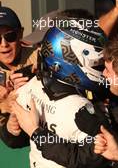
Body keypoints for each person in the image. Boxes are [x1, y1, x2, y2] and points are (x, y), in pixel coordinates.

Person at [2, 18, 110, 168]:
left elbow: (93, 156)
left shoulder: (32, 84)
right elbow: (92, 158)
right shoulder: (31, 84)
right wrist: (13, 128)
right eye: (97, 65)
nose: (104, 72)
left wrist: (36, 133)